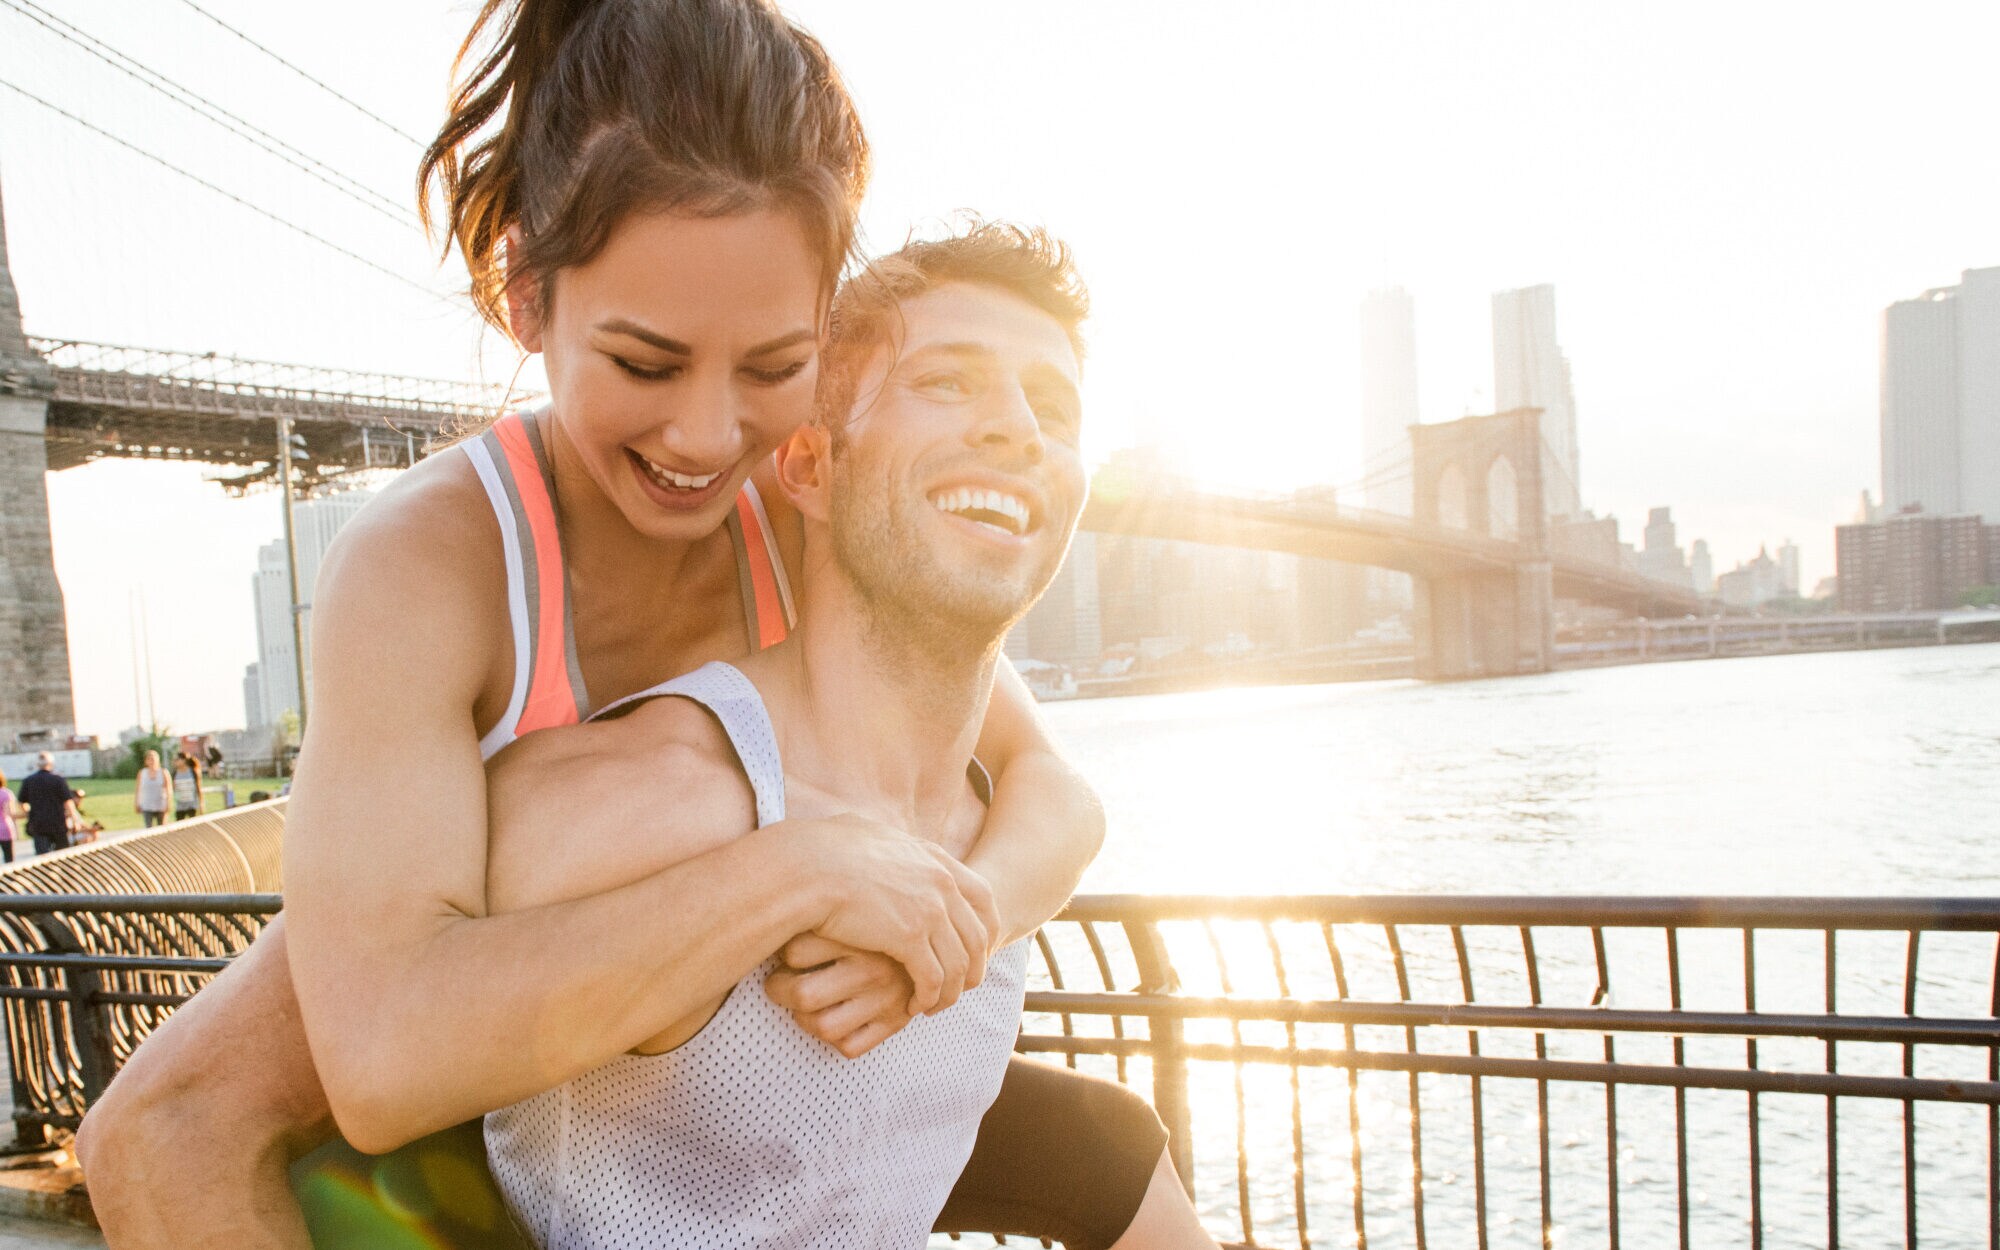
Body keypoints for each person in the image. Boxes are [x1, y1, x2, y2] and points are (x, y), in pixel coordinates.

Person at [76, 3, 1167, 1247]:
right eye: (645, 365)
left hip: (659, 1078)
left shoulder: (799, 491)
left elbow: (1051, 788)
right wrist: (806, 865)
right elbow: (381, 1059)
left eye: (769, 366)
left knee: (1104, 1142)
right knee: (165, 1125)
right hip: (455, 1030)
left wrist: (926, 930)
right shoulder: (436, 562)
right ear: (522, 294)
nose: (708, 440)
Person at [475, 224, 1213, 1247]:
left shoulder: (990, 823)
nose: (1016, 428)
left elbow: (1067, 799)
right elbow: (386, 1018)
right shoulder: (676, 792)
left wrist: (958, 927)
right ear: (809, 467)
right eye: (948, 382)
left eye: (1051, 405)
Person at [17, 752, 79, 856]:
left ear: (37, 764)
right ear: (51, 763)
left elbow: (21, 802)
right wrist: (74, 820)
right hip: (58, 823)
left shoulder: (29, 781)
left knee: (42, 856)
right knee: (62, 855)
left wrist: (28, 813)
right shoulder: (58, 780)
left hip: (38, 824)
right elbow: (68, 802)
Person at [133, 751, 170, 828]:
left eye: (153, 759)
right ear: (146, 761)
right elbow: (138, 790)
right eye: (149, 759)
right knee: (149, 828)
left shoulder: (163, 772)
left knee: (162, 828)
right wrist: (137, 803)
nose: (151, 761)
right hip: (147, 805)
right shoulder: (142, 773)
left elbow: (168, 789)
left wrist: (168, 804)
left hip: (160, 805)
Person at [169, 753, 204, 822]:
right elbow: (172, 788)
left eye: (177, 760)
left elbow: (198, 788)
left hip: (192, 805)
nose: (175, 761)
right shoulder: (175, 773)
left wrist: (201, 803)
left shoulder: (193, 772)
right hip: (180, 805)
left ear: (183, 760)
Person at [0, 769, 18, 865]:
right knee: (9, 859)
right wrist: (16, 829)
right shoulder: (6, 793)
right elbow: (10, 813)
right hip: (5, 828)